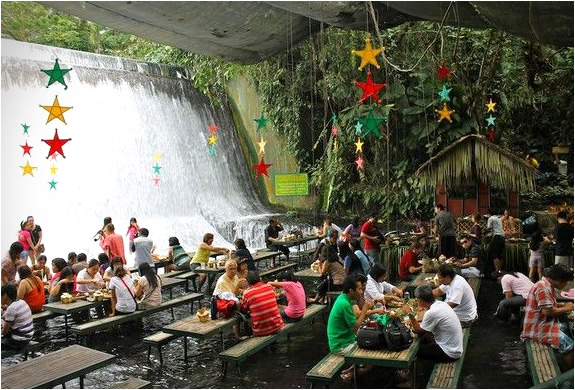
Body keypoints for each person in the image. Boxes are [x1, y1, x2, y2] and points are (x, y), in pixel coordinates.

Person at [400, 285, 463, 387]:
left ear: (420, 300)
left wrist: (410, 314)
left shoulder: (432, 312)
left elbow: (419, 331)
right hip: (455, 347)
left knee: (414, 351)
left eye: (417, 299)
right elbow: (429, 320)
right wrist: (416, 320)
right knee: (424, 339)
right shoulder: (440, 304)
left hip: (449, 352)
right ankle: (411, 374)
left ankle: (414, 381)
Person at [521, 264, 574, 371]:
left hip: (540, 322)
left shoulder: (545, 284)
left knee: (565, 327)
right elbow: (547, 311)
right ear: (558, 279)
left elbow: (548, 305)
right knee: (570, 346)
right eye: (565, 282)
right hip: (537, 328)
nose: (566, 284)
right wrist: (567, 308)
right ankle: (567, 376)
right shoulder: (543, 288)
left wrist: (564, 305)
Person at [327, 273, 372, 383]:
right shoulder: (345, 304)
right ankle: (351, 376)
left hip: (345, 339)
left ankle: (353, 369)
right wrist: (365, 309)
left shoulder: (343, 298)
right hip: (340, 345)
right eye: (360, 289)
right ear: (351, 291)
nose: (362, 292)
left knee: (370, 343)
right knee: (372, 359)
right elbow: (355, 328)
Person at [240, 270, 284, 336]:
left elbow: (243, 310)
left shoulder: (247, 293)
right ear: (260, 279)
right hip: (277, 326)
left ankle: (248, 338)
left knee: (247, 320)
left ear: (248, 282)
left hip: (261, 331)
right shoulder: (269, 287)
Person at [1, 284, 34, 350]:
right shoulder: (22, 302)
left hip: (19, 341)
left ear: (5, 295)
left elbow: (4, 332)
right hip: (28, 336)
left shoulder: (12, 308)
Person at [486, 208, 505, 277]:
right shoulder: (499, 218)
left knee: (495, 255)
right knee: (500, 255)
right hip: (502, 237)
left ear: (489, 213)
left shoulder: (491, 218)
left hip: (496, 237)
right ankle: (499, 271)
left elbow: (489, 228)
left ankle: (497, 271)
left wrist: (484, 232)